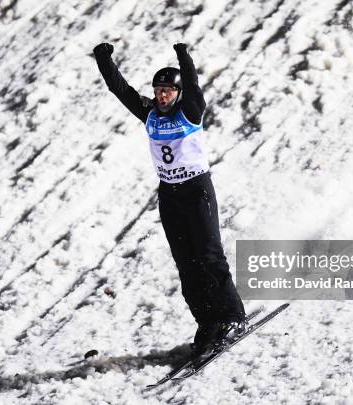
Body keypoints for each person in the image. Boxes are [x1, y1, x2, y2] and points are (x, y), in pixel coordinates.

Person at [93, 42, 246, 353]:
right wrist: (103, 59)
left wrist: (184, 57)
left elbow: (192, 84)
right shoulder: (149, 113)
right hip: (169, 194)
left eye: (168, 91)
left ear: (177, 93)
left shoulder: (190, 111)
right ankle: (207, 322)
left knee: (209, 256)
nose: (162, 96)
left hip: (196, 190)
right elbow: (120, 90)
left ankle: (233, 317)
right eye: (159, 90)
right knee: (186, 263)